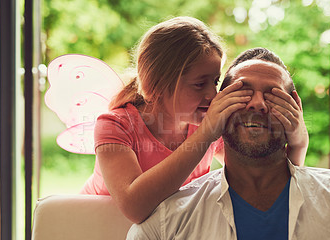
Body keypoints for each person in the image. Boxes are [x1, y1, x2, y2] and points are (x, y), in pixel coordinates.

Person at [105, 47, 330, 240]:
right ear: (217, 107)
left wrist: (298, 137)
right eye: (241, 92)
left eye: (272, 95)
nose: (257, 104)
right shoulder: (171, 216)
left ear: (294, 107)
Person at [81, 17, 309, 224]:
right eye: (200, 84)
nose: (212, 94)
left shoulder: (208, 127)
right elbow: (134, 207)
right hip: (93, 230)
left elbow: (266, 184)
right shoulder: (115, 126)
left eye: (215, 81)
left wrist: (298, 143)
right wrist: (205, 134)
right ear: (157, 84)